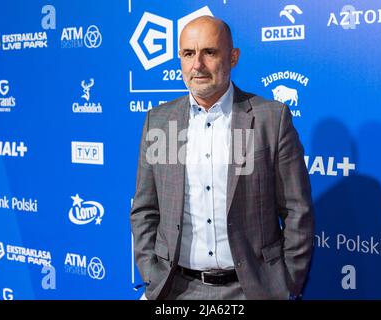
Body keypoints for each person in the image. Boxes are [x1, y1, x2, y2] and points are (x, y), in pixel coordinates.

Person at [130, 15, 314, 300]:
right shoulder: (159, 121)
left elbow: (296, 209)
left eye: (209, 52)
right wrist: (151, 274)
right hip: (175, 289)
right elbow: (145, 209)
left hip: (252, 290)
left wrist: (285, 283)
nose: (197, 65)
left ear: (233, 57)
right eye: (188, 54)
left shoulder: (271, 119)